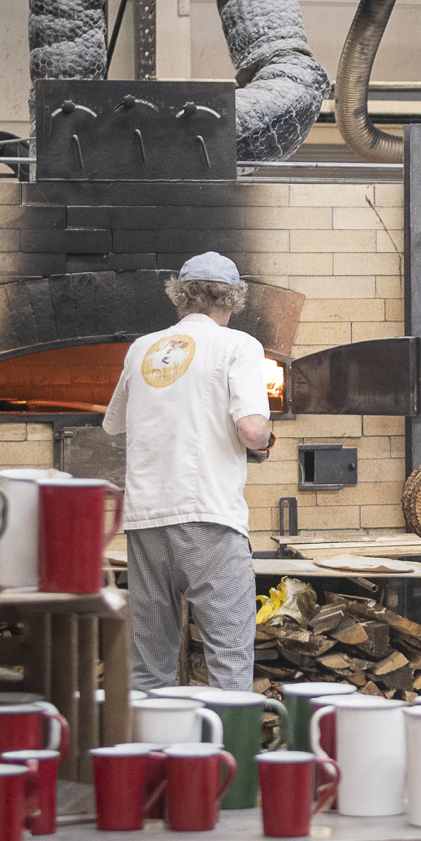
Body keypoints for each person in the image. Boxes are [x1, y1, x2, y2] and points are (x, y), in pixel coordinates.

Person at [103, 252, 275, 692]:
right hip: (208, 516)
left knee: (149, 668)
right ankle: (227, 740)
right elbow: (252, 430)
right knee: (229, 660)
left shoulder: (143, 348)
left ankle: (150, 738)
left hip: (145, 521)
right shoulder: (238, 345)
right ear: (233, 300)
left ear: (180, 296)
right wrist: (266, 441)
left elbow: (114, 424)